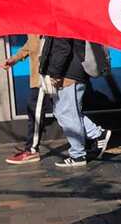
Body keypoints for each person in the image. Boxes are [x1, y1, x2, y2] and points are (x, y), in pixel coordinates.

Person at [39, 37, 111, 168]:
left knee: (66, 113)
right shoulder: (64, 20)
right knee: (64, 112)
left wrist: (55, 73)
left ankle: (78, 154)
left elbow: (62, 48)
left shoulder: (61, 20)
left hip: (69, 73)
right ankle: (98, 134)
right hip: (72, 71)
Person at [2, 35, 51, 165]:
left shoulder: (47, 30)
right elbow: (30, 46)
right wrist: (14, 60)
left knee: (37, 113)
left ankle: (32, 151)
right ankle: (96, 134)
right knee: (62, 112)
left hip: (45, 80)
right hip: (38, 80)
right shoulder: (34, 31)